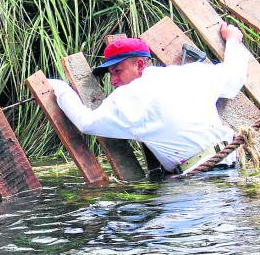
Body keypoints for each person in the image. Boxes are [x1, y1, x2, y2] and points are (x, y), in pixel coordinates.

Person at [48, 23, 251, 175]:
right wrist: (233, 38)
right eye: (110, 73)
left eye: (117, 70)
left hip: (195, 181)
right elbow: (235, 76)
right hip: (231, 169)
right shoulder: (191, 74)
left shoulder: (128, 97)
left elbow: (86, 123)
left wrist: (59, 88)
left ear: (139, 65)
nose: (114, 80)